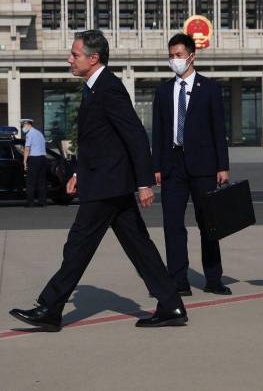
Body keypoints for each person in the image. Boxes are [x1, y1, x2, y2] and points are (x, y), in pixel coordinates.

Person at [10, 30, 187, 331]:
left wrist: (144, 183)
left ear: (93, 58)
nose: (70, 59)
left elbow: (134, 136)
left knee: (78, 245)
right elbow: (98, 141)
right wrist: (78, 173)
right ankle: (170, 303)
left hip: (108, 184)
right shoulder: (94, 88)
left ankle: (50, 308)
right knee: (138, 245)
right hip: (106, 182)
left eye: (75, 54)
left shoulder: (109, 88)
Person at [152, 33, 230, 297]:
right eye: (171, 56)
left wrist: (222, 166)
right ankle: (178, 280)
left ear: (192, 56)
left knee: (209, 223)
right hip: (172, 165)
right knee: (172, 224)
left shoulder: (209, 88)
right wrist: (157, 166)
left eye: (179, 55)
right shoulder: (163, 91)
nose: (175, 60)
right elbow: (159, 132)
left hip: (204, 166)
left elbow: (219, 129)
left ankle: (213, 278)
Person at [20, 118, 47, 207]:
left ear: (28, 125)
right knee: (41, 181)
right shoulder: (39, 133)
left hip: (34, 159)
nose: (22, 128)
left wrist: (24, 161)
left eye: (23, 126)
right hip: (43, 159)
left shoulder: (30, 134)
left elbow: (27, 149)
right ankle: (42, 202)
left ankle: (30, 202)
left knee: (30, 182)